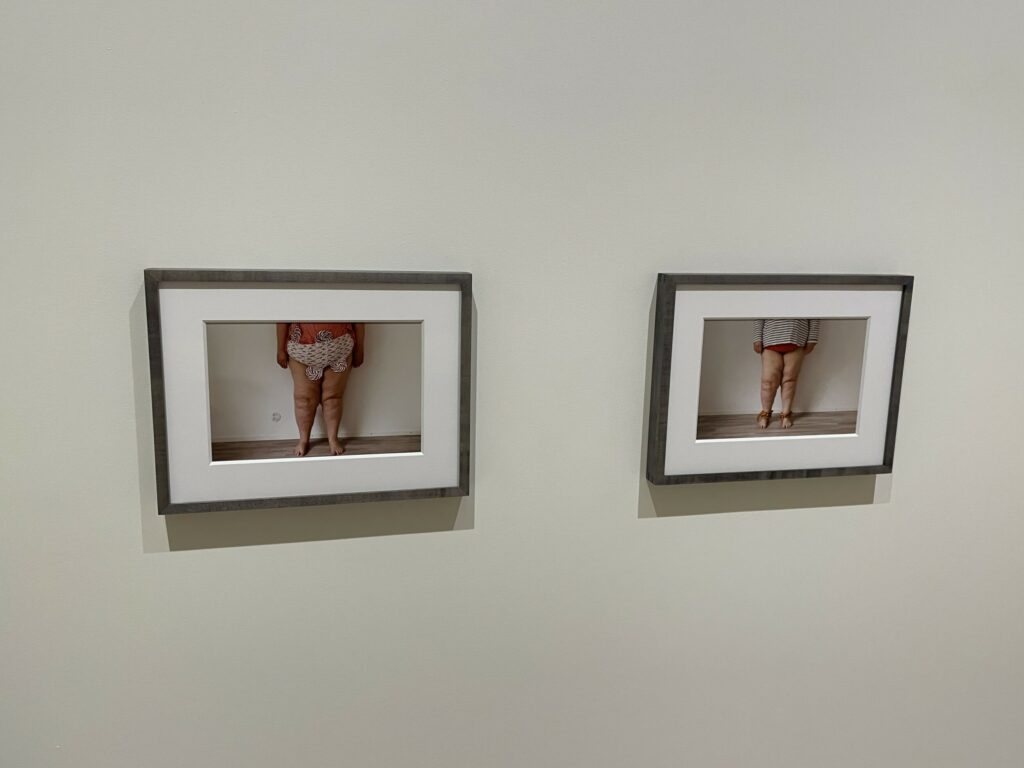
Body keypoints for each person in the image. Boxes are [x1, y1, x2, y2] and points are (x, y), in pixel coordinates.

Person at [276, 322, 365, 456]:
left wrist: (360, 348)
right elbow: (282, 320)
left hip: (340, 346)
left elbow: (359, 319)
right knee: (303, 400)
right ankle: (303, 439)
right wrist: (280, 349)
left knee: (333, 397)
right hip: (300, 349)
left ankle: (333, 439)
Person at [753, 319, 818, 429]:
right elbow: (759, 315)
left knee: (790, 380)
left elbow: (815, 315)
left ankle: (786, 414)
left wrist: (812, 338)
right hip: (770, 338)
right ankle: (765, 414)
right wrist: (757, 338)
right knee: (768, 382)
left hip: (797, 338)